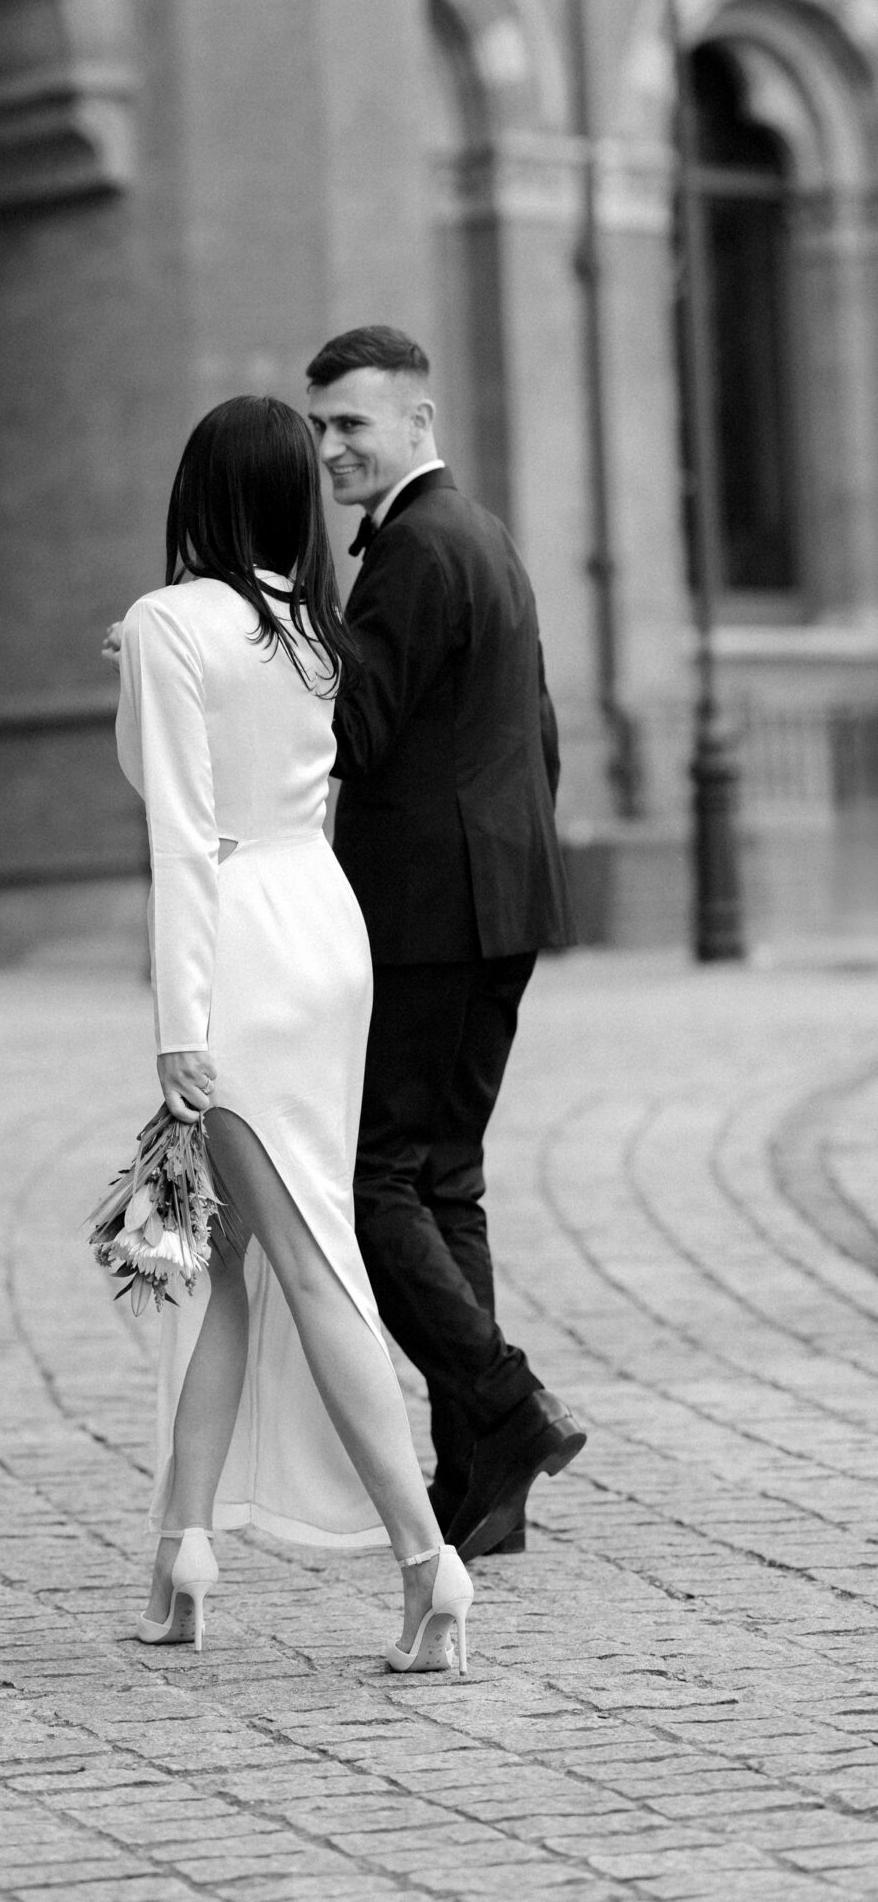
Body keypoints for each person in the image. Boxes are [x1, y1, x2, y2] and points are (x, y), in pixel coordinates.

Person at [114, 395, 473, 1675]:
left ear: (198, 492)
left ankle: (431, 1561)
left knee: (309, 1262)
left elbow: (177, 834)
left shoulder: (171, 624)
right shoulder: (310, 633)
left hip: (243, 947)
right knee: (216, 1259)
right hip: (326, 931)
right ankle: (182, 1548)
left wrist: (178, 1030)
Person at [304, 324, 584, 1560]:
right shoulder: (484, 537)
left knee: (374, 1181)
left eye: (352, 424)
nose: (330, 449)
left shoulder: (415, 549)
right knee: (446, 1177)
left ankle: (508, 1405)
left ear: (417, 422)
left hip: (427, 911)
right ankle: (483, 1483)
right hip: (500, 899)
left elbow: (355, 737)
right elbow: (543, 734)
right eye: (319, 428)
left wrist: (286, 630)